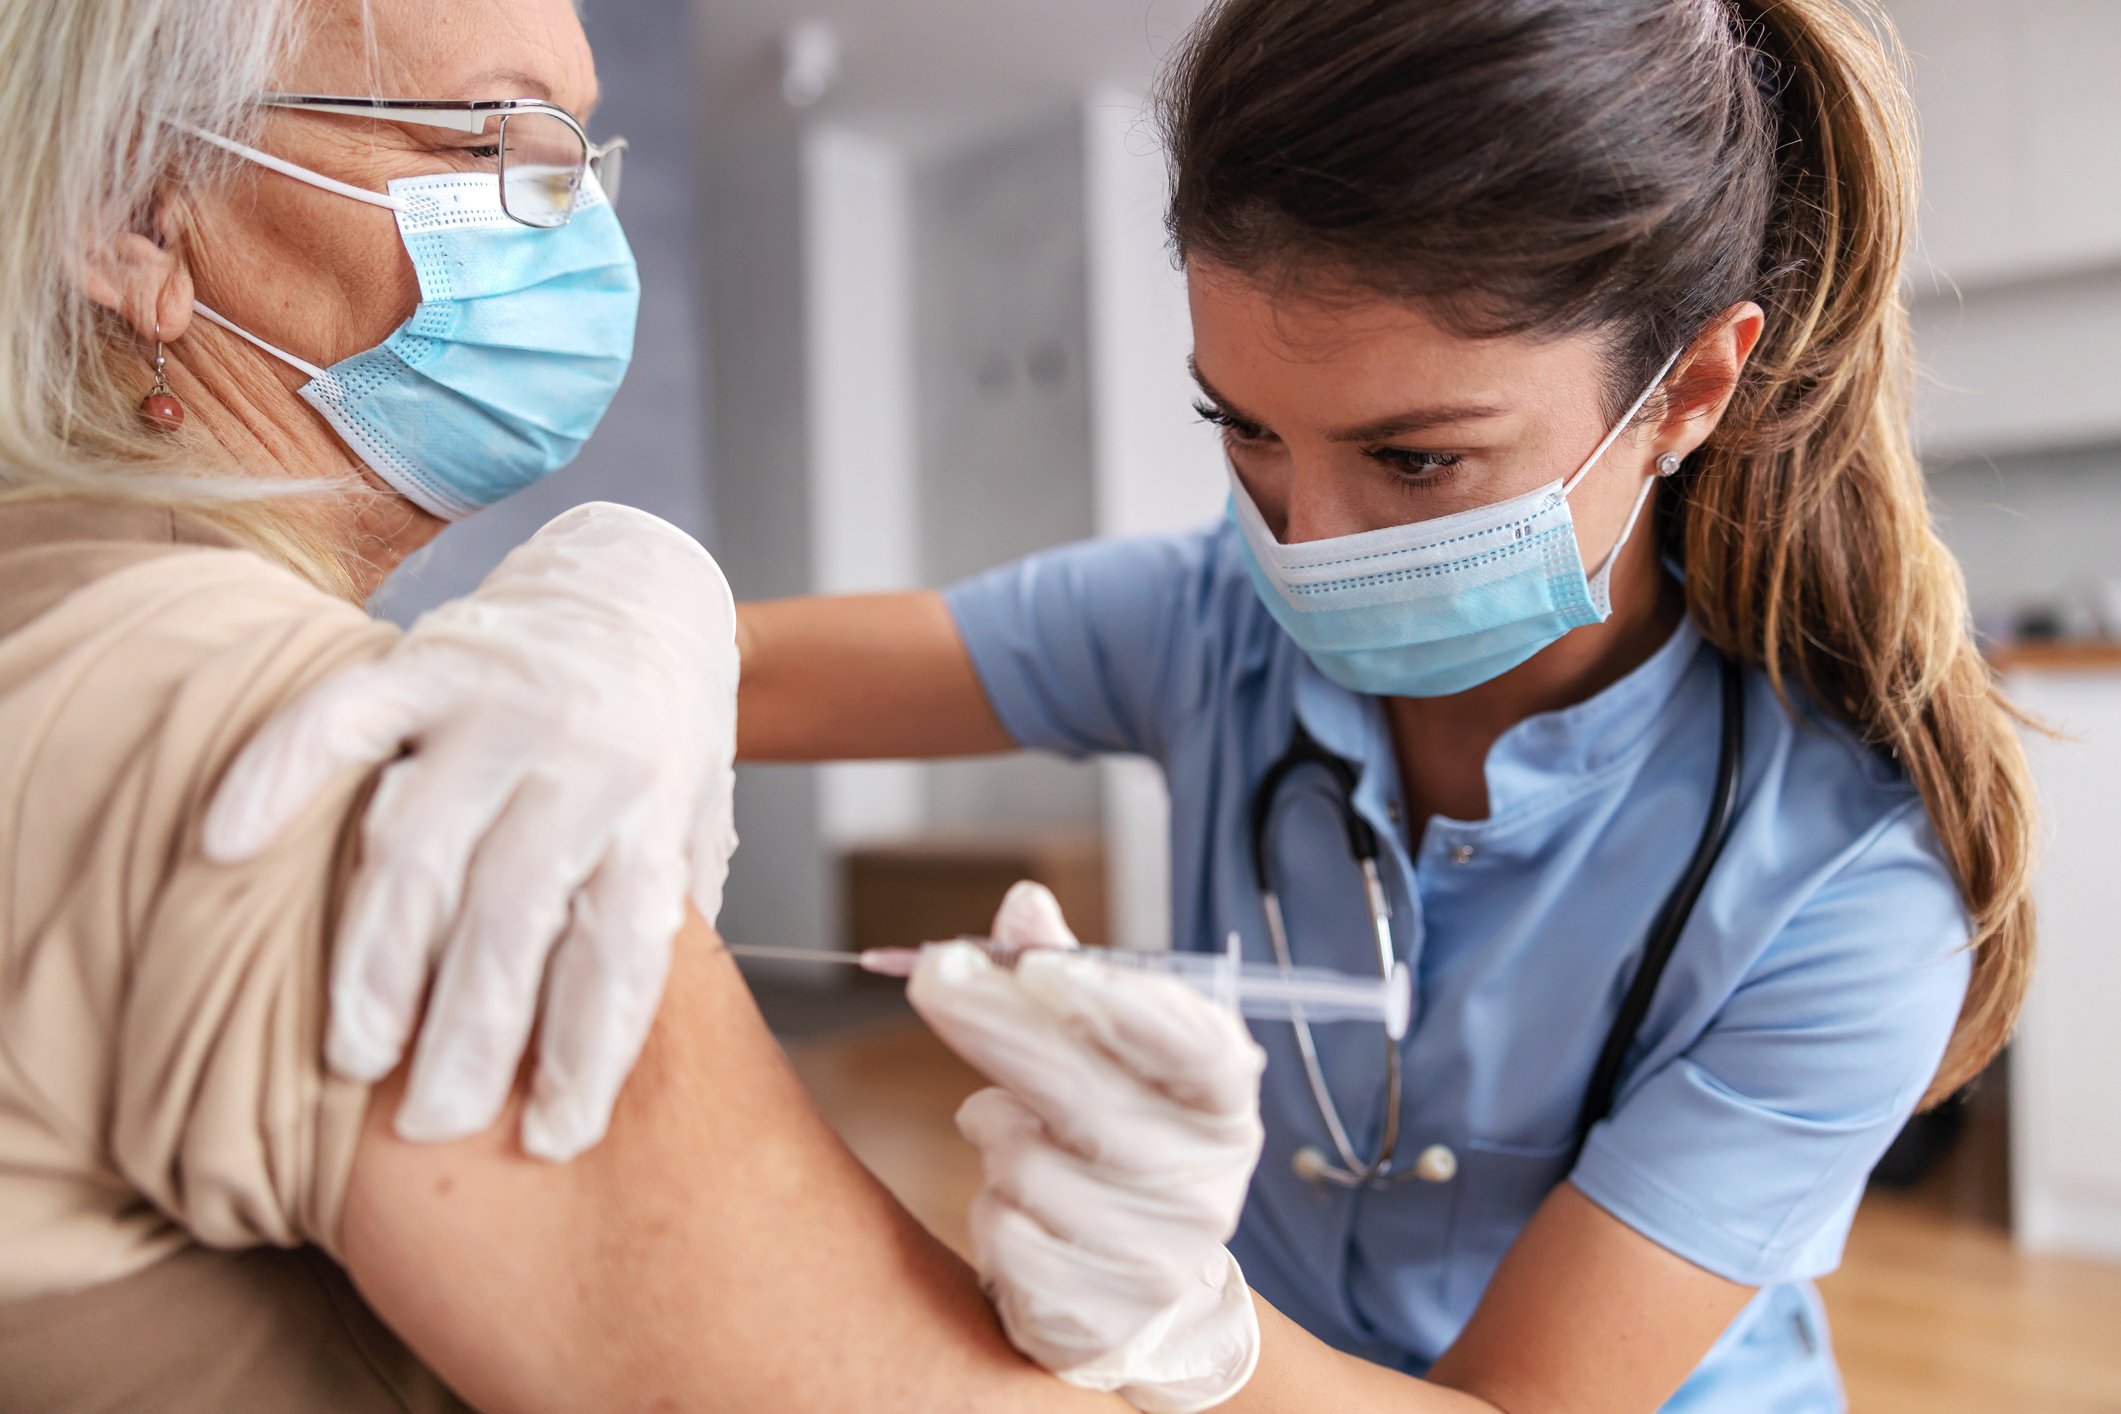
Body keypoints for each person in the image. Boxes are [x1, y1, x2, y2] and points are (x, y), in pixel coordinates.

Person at [226, 1, 2040, 1412]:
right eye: (1239, 427)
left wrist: (1197, 1333)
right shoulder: (1210, 613)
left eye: (1413, 457)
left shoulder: (1842, 890)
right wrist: (622, 611)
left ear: (1689, 389)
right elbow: (740, 666)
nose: (1301, 539)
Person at [0, 1, 1263, 1410]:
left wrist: (663, 592)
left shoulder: (58, 604)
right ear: (137, 216)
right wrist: (1183, 1348)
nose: (580, 229)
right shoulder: (330, 771)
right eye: (494, 133)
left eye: (576, 152)